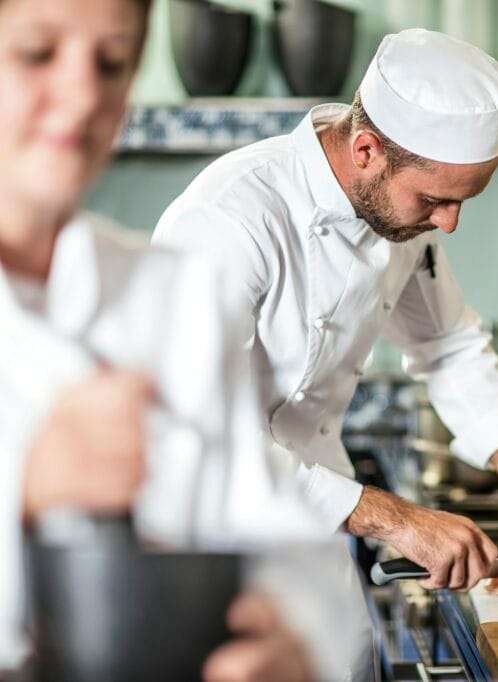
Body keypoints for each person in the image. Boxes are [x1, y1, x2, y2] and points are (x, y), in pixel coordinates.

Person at [0, 0, 372, 679]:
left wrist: (298, 643)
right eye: (35, 53)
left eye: (112, 62)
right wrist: (24, 492)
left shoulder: (170, 295)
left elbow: (294, 552)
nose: (84, 96)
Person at [153, 29, 498, 591]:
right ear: (366, 151)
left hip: (316, 527)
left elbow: (445, 342)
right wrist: (400, 520)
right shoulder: (229, 221)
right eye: (435, 200)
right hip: (211, 552)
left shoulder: (398, 213)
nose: (449, 223)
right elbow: (195, 431)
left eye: (462, 200)